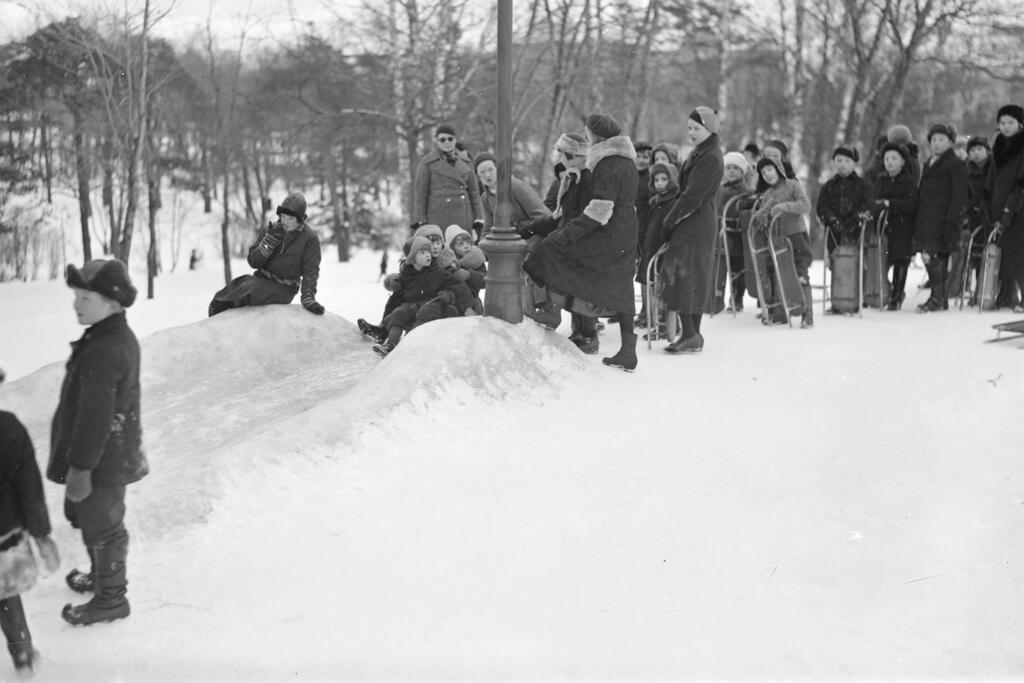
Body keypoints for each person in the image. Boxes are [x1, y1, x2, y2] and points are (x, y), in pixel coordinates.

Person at [48, 258, 149, 626]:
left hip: (103, 460)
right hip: (105, 455)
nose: (76, 304)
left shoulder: (106, 348)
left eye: (85, 297)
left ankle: (111, 598)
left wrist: (81, 469)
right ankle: (100, 575)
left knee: (104, 526)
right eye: (76, 295)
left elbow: (96, 417)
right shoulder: (106, 335)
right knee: (93, 521)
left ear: (112, 301)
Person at [523, 113, 639, 371]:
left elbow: (600, 209)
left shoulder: (606, 163)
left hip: (608, 232)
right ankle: (627, 350)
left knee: (556, 253)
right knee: (622, 289)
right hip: (626, 231)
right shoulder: (627, 161)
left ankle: (554, 310)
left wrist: (568, 234)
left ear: (596, 136)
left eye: (587, 133)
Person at [1, 367, 60, 673]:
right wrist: (41, 534)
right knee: (7, 598)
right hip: (4, 541)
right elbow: (29, 489)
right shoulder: (7, 427)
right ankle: (22, 655)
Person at [658, 107, 725, 353]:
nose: (691, 133)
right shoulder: (702, 153)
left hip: (695, 220)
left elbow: (692, 196)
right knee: (691, 274)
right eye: (689, 128)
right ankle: (692, 334)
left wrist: (669, 220)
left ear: (710, 128)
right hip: (695, 219)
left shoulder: (710, 157)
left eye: (697, 128)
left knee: (687, 274)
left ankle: (690, 334)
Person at [208, 192, 324, 317]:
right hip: (260, 278)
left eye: (291, 218)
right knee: (236, 286)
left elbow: (310, 271)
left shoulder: (309, 238)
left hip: (284, 288)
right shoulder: (270, 230)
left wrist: (308, 297)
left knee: (253, 289)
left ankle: (230, 307)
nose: (285, 221)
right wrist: (267, 244)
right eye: (283, 216)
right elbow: (253, 262)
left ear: (300, 220)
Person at [370, 236, 475, 357]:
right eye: (423, 252)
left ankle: (411, 344)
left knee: (424, 313)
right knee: (398, 313)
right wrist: (393, 284)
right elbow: (397, 292)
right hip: (411, 305)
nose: (428, 255)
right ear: (413, 258)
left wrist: (468, 306)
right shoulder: (407, 274)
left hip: (432, 303)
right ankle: (390, 344)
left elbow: (457, 285)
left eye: (428, 252)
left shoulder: (437, 271)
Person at [749, 157, 815, 327]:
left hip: (796, 236)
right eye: (763, 173)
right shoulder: (768, 194)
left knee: (800, 273)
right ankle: (783, 312)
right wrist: (763, 215)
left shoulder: (792, 185)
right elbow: (761, 218)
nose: (767, 175)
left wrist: (785, 206)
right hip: (777, 240)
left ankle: (807, 314)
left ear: (778, 169)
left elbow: (805, 205)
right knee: (781, 274)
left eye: (769, 170)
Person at [915, 123, 969, 313]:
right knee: (929, 256)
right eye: (934, 140)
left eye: (941, 140)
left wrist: (951, 220)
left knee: (937, 256)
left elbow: (959, 195)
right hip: (926, 218)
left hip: (944, 218)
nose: (937, 143)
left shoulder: (956, 164)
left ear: (950, 142)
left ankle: (937, 297)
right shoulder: (928, 163)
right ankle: (940, 297)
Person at [413, 124, 484, 239]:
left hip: (463, 216)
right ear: (437, 142)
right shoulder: (427, 163)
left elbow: (474, 193)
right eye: (442, 139)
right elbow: (421, 194)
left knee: (462, 250)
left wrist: (479, 218)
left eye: (450, 139)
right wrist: (421, 220)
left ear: (455, 140)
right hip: (437, 216)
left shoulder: (466, 162)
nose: (447, 142)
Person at [872, 142, 918, 310]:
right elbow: (875, 198)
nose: (889, 162)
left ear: (903, 162)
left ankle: (897, 295)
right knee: (883, 260)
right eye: (886, 159)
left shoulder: (909, 180)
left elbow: (911, 204)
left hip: (902, 226)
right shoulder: (881, 179)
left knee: (900, 261)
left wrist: (890, 204)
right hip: (883, 225)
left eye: (894, 158)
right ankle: (885, 289)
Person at [987, 104, 1024, 311]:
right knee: (1003, 252)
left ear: (1020, 124)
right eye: (1002, 123)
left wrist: (1010, 209)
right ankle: (1006, 295)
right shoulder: (999, 145)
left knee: (1018, 253)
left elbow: (1021, 181)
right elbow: (992, 178)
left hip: (1018, 208)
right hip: (998, 205)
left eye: (1010, 122)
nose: (1006, 126)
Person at [637, 160, 680, 336]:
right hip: (652, 249)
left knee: (665, 290)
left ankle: (667, 326)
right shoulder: (655, 201)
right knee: (654, 290)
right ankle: (659, 323)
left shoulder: (674, 202)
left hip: (664, 251)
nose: (660, 183)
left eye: (664, 179)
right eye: (657, 180)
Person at [472, 152, 550, 239]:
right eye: (482, 172)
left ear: (498, 169)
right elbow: (488, 228)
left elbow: (543, 216)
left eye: (490, 170)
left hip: (533, 237)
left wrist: (524, 231)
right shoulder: (485, 198)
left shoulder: (516, 187)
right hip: (507, 241)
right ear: (478, 177)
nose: (487, 175)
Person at [816, 145, 875, 255]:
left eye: (847, 161)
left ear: (854, 163)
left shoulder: (864, 186)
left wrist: (855, 220)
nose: (842, 164)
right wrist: (832, 219)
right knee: (837, 264)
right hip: (834, 233)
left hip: (858, 233)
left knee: (857, 264)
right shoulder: (828, 186)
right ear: (834, 162)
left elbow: (869, 206)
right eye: (839, 160)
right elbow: (822, 207)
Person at [718, 151, 754, 311]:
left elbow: (746, 211)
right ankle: (718, 297)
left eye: (735, 168)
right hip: (721, 233)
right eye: (728, 168)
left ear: (742, 171)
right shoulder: (719, 189)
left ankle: (737, 297)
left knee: (737, 268)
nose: (731, 171)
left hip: (737, 235)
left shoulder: (746, 191)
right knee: (721, 267)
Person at [633, 141, 653, 325]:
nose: (641, 160)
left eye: (645, 157)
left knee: (645, 272)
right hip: (631, 229)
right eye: (638, 156)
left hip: (646, 229)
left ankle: (647, 311)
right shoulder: (629, 176)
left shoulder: (651, 179)